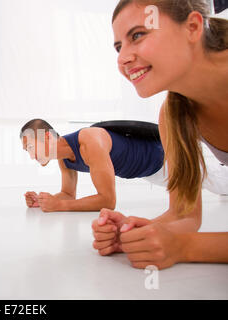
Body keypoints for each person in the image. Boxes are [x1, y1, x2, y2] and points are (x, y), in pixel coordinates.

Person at [92, 0, 228, 270]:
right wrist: (135, 233)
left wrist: (182, 247)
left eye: (138, 35)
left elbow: (185, 238)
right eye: (119, 47)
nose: (122, 58)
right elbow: (185, 214)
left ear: (192, 27)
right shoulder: (173, 115)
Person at [20, 119, 228, 213]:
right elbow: (67, 194)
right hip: (150, 172)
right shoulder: (64, 160)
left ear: (46, 136)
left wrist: (61, 206)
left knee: (221, 184)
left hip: (169, 157)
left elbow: (107, 201)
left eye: (30, 146)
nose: (31, 155)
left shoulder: (89, 140)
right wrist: (44, 201)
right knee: (216, 186)